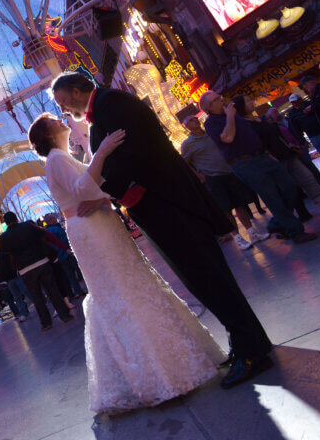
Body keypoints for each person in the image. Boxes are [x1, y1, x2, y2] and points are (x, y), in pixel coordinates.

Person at [51, 72, 272, 390]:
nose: (64, 109)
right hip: (159, 205)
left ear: (75, 90)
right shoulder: (104, 111)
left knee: (209, 277)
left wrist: (105, 193)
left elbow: (131, 155)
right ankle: (248, 342)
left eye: (62, 101)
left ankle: (252, 352)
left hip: (167, 203)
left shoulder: (111, 104)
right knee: (202, 279)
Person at [29, 111, 229, 414]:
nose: (61, 120)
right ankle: (159, 374)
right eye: (53, 121)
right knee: (121, 288)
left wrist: (101, 191)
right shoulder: (56, 159)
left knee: (127, 284)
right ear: (46, 135)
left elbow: (94, 185)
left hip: (97, 222)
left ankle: (164, 370)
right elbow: (84, 188)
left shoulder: (62, 157)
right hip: (91, 228)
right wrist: (104, 151)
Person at [200, 91, 316, 244]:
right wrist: (229, 116)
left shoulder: (235, 115)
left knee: (290, 187)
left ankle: (276, 224)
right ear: (209, 107)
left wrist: (267, 152)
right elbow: (228, 137)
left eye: (221, 97)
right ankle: (296, 232)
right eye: (217, 99)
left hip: (262, 156)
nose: (222, 100)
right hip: (245, 162)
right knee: (271, 196)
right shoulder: (211, 123)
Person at [231, 95, 320, 224]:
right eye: (248, 101)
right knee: (289, 190)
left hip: (287, 154)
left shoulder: (261, 119)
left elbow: (277, 134)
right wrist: (270, 156)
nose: (251, 101)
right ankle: (282, 223)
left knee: (308, 179)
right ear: (241, 107)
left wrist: (290, 145)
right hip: (273, 161)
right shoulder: (245, 125)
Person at [180, 115, 270, 250]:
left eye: (195, 118)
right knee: (226, 210)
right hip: (212, 177)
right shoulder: (187, 144)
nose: (195, 120)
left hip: (228, 172)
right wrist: (199, 175)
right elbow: (185, 163)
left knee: (240, 204)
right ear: (186, 126)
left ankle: (252, 233)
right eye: (191, 120)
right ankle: (238, 238)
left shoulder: (210, 134)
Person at [0, 212, 74, 330]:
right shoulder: (28, 226)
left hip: (25, 269)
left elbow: (2, 250)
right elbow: (43, 234)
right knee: (52, 290)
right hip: (42, 262)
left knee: (36, 296)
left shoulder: (4, 237)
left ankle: (46, 323)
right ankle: (65, 315)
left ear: (5, 222)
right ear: (16, 219)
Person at [266, 106, 320, 187]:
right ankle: (315, 185)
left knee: (308, 164)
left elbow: (297, 130)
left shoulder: (287, 120)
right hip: (292, 149)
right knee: (303, 168)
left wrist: (302, 140)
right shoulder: (277, 125)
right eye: (273, 114)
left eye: (275, 112)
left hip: (298, 145)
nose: (276, 114)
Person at [287, 91, 320, 179]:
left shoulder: (310, 104)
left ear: (300, 100)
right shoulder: (292, 114)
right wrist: (302, 140)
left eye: (296, 101)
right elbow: (295, 128)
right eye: (293, 102)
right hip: (314, 135)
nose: (295, 103)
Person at [43, 214, 87, 297]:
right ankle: (88, 287)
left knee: (70, 276)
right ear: (50, 220)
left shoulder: (47, 232)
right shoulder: (56, 229)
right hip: (66, 253)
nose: (55, 219)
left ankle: (78, 292)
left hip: (59, 257)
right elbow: (65, 240)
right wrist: (69, 248)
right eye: (53, 218)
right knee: (80, 270)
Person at [0, 238, 28, 321]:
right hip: (8, 280)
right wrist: (1, 279)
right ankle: (23, 313)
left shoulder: (8, 252)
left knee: (26, 292)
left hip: (16, 276)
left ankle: (38, 305)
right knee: (17, 296)